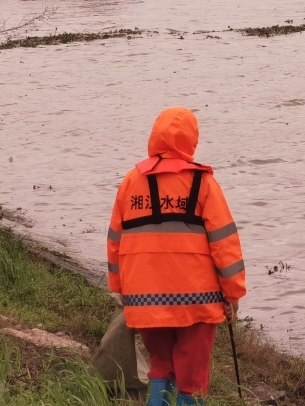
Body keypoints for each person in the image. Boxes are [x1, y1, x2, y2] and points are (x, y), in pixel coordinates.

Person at [107, 107, 246, 406]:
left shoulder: (131, 181)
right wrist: (232, 293)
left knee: (160, 366)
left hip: (144, 298)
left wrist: (120, 287)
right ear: (192, 139)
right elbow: (224, 243)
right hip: (197, 300)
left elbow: (115, 241)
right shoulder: (203, 183)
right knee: (192, 377)